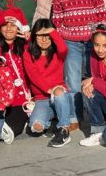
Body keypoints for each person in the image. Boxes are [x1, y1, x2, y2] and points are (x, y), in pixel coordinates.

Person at [52, 0, 106, 129]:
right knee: (73, 80)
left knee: (93, 78)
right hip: (71, 42)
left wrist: (99, 35)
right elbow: (57, 19)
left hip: (92, 42)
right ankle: (74, 116)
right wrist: (63, 36)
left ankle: (95, 114)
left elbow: (100, 13)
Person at [22, 19, 74, 148]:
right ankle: (55, 116)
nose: (44, 39)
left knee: (58, 92)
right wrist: (48, 89)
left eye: (47, 36)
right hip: (42, 98)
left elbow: (63, 48)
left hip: (60, 95)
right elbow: (33, 75)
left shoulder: (58, 52)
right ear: (34, 36)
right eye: (40, 35)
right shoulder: (28, 53)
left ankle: (63, 129)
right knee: (36, 128)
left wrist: (53, 32)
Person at [0, 9, 31, 137]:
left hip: (23, 99)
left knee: (14, 128)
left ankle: (28, 118)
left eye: (13, 25)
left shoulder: (27, 46)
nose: (9, 28)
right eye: (5, 24)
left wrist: (29, 38)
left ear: (19, 28)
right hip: (2, 97)